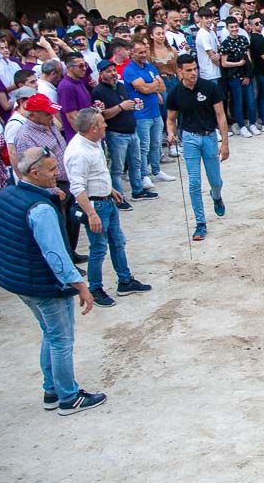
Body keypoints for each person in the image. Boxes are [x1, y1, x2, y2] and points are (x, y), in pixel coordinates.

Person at [0, 147, 104, 414]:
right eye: (52, 170)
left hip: (19, 280)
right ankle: (68, 397)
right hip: (44, 283)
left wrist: (49, 193)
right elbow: (54, 254)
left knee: (50, 334)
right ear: (35, 172)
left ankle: (51, 389)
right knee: (61, 340)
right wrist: (80, 285)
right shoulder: (40, 209)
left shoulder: (8, 193)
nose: (58, 174)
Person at [63, 108, 151, 306]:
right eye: (102, 123)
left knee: (117, 242)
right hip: (96, 205)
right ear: (94, 128)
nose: (106, 125)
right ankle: (95, 288)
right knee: (99, 249)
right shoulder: (78, 152)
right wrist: (91, 213)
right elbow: (77, 188)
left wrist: (110, 190)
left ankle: (125, 280)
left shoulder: (92, 143)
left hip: (105, 201)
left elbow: (98, 172)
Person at [166, 54, 229, 240]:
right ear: (180, 71)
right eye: (189, 70)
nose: (193, 73)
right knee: (194, 182)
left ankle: (216, 196)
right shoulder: (176, 93)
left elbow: (221, 115)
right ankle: (200, 222)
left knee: (215, 180)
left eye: (195, 69)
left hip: (209, 136)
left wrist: (224, 143)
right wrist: (171, 132)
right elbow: (171, 119)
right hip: (190, 138)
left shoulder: (210, 87)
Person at [90, 59, 146, 209]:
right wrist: (121, 107)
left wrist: (134, 105)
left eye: (114, 70)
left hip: (131, 130)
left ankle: (138, 190)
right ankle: (119, 197)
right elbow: (102, 114)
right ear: (101, 74)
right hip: (116, 133)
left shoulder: (120, 86)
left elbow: (127, 104)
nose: (113, 74)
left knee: (136, 163)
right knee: (117, 168)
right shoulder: (98, 91)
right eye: (109, 71)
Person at [122, 39, 173, 188]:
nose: (144, 55)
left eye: (145, 51)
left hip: (155, 112)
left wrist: (150, 86)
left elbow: (162, 87)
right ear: (132, 53)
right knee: (143, 147)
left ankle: (157, 171)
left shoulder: (149, 66)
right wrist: (153, 85)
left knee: (156, 144)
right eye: (140, 52)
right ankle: (144, 174)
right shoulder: (130, 70)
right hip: (141, 115)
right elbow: (145, 89)